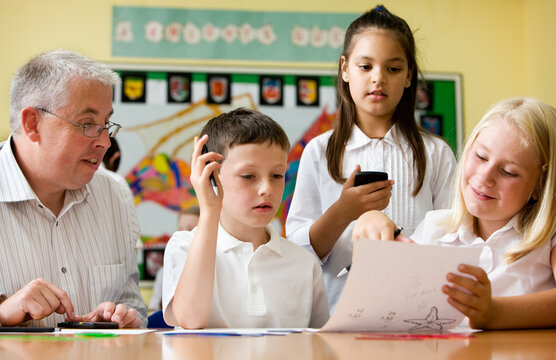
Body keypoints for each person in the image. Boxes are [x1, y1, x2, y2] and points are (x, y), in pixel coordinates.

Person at [286, 4, 456, 311]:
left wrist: (395, 238)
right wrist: (344, 211)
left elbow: (454, 239)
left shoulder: (436, 153)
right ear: (344, 69)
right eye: (365, 67)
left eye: (393, 69)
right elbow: (298, 250)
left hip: (417, 312)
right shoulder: (318, 152)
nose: (378, 78)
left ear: (408, 76)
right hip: (337, 314)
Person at [353, 97, 556, 329]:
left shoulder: (549, 236)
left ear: (539, 187)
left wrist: (494, 312)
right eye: (480, 157)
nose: (484, 178)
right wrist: (371, 221)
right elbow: (389, 306)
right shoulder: (435, 227)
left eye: (508, 172)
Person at [0, 50, 147, 328]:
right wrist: (3, 312)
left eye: (106, 124)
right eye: (87, 124)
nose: (104, 142)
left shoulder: (114, 194)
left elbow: (134, 304)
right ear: (33, 124)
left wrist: (123, 318)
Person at [162, 108, 329, 328]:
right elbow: (190, 319)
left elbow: (318, 344)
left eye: (277, 175)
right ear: (212, 176)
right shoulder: (183, 246)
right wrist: (210, 209)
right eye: (249, 176)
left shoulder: (304, 264)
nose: (266, 189)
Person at [148, 206, 201, 311]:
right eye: (180, 229)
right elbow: (153, 307)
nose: (183, 235)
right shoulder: (164, 271)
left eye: (190, 229)